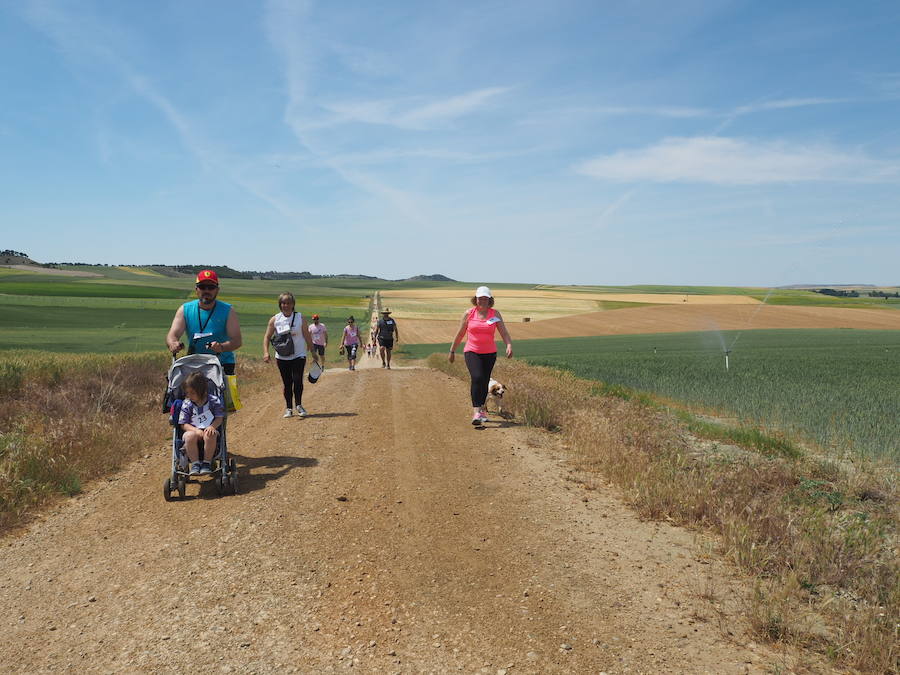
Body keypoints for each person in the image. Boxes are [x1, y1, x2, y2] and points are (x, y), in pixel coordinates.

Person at [448, 286, 513, 425]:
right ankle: (476, 411)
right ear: (475, 299)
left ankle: (482, 411)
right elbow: (460, 334)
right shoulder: (469, 314)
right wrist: (452, 350)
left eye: (485, 298)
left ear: (490, 300)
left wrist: (508, 345)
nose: (482, 300)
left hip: (490, 353)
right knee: (477, 377)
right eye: (480, 298)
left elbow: (504, 332)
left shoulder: (495, 314)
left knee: (484, 381)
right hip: (472, 351)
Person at [166, 270, 243, 375]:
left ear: (217, 290)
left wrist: (221, 347)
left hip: (222, 363)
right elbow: (173, 335)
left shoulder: (228, 310)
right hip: (193, 362)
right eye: (202, 287)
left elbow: (237, 341)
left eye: (211, 287)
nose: (207, 290)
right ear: (196, 289)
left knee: (228, 391)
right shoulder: (185, 309)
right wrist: (173, 343)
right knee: (174, 389)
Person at [263, 292, 317, 418]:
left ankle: (299, 405)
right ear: (280, 305)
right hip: (282, 356)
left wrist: (313, 351)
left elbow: (307, 335)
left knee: (297, 380)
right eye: (283, 303)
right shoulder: (275, 319)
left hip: (299, 354)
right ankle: (288, 408)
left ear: (293, 304)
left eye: (288, 303)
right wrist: (266, 352)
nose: (286, 305)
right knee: (287, 383)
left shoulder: (300, 318)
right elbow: (267, 337)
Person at [178, 371, 225, 476]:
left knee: (210, 434)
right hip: (193, 431)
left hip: (209, 430)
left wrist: (212, 426)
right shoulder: (187, 404)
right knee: (189, 436)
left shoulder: (213, 401)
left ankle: (206, 463)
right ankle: (195, 464)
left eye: (192, 393)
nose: (189, 395)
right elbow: (183, 424)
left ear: (202, 391)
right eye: (187, 393)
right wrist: (195, 430)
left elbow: (219, 418)